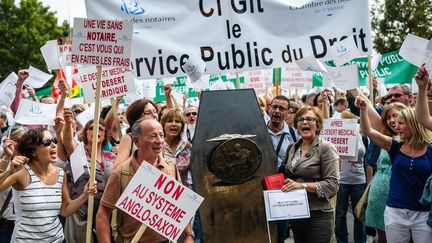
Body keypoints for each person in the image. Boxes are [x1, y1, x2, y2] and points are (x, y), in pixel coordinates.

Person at [96, 119, 193, 243]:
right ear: (137, 141)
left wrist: (188, 235)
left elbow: (181, 205)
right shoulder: (121, 173)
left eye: (161, 135)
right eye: (153, 136)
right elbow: (103, 214)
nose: (159, 141)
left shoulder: (171, 168)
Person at [0, 128, 96, 243]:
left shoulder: (61, 173)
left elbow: (65, 209)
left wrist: (85, 195)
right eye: (47, 143)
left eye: (54, 140)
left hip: (57, 240)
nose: (54, 145)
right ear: (33, 151)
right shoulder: (22, 173)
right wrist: (10, 170)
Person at [357, 96, 432, 243]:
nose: (396, 127)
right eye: (396, 123)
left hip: (423, 214)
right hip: (395, 212)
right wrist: (363, 109)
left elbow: (424, 116)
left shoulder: (430, 150)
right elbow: (367, 130)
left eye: (401, 123)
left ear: (414, 125)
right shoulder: (394, 145)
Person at [281, 106, 340, 243]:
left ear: (318, 125)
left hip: (318, 215)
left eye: (310, 119)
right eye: (300, 119)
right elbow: (284, 175)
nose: (305, 123)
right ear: (296, 125)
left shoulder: (326, 148)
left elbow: (332, 185)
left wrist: (301, 186)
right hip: (296, 212)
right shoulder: (293, 147)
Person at [62, 110, 116, 243]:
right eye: (92, 128)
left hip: (104, 213)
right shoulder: (78, 151)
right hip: (80, 212)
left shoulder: (112, 157)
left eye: (101, 128)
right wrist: (68, 123)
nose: (96, 130)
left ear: (104, 135)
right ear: (86, 132)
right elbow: (68, 141)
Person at [364, 102, 406, 243]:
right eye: (388, 117)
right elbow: (367, 128)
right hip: (378, 193)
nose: (392, 120)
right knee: (382, 236)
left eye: (395, 115)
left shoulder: (410, 139)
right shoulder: (385, 137)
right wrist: (362, 106)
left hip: (400, 194)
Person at [335, 111, 366, 243]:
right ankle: (342, 241)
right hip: (340, 180)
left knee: (359, 214)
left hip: (359, 180)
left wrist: (369, 181)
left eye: (346, 120)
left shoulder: (362, 136)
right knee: (340, 214)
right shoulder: (336, 135)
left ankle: (360, 241)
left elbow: (369, 162)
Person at [0, 126, 27, 242]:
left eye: (24, 140)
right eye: (17, 140)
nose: (20, 144)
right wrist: (7, 156)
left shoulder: (32, 162)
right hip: (5, 223)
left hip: (25, 224)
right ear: (8, 141)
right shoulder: (4, 160)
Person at [114, 99, 158, 169]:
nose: (154, 115)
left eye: (155, 111)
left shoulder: (159, 139)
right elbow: (117, 168)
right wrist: (138, 154)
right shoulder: (129, 138)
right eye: (148, 113)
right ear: (137, 118)